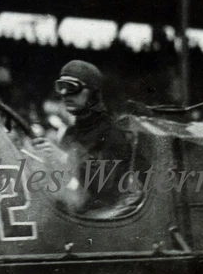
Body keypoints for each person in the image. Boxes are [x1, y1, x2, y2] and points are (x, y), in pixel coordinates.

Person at [33, 60, 135, 213]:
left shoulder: (112, 133)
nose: (65, 94)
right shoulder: (71, 133)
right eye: (61, 87)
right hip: (71, 212)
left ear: (93, 92)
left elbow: (104, 185)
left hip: (101, 220)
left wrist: (63, 158)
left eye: (72, 87)